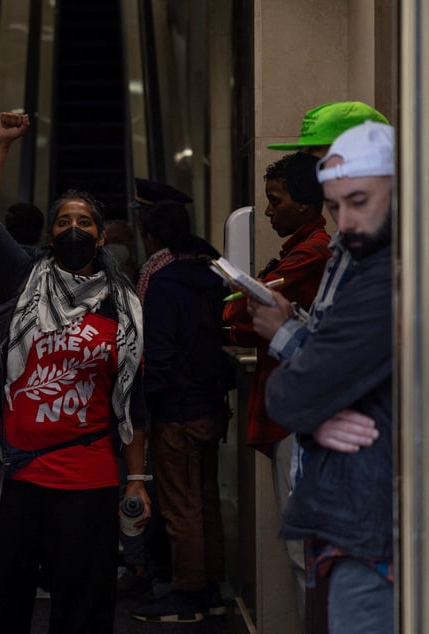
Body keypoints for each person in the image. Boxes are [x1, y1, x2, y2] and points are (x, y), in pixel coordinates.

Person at [0, 112, 150, 633]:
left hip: (87, 478)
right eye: (64, 221)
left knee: (83, 608)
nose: (73, 228)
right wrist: (1, 144)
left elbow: (133, 401)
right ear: (51, 233)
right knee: (2, 606)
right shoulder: (26, 279)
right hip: (17, 475)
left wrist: (136, 479)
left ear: (101, 236)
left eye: (84, 222)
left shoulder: (122, 307)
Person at [250, 100, 389, 632]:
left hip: (370, 514)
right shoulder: (349, 251)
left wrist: (288, 340)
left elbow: (299, 390)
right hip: (343, 491)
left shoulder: (388, 269)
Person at [221, 152, 332, 620]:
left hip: (303, 412)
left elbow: (238, 314)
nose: (268, 212)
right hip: (296, 406)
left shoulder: (314, 252)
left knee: (305, 554)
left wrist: (249, 297)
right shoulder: (301, 250)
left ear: (306, 205)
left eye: (275, 201)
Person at [129, 200, 228, 623]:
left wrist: (149, 402)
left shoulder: (163, 283)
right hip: (210, 403)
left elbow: (160, 352)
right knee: (205, 499)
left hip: (177, 408)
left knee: (180, 504)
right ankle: (210, 588)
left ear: (152, 238)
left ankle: (188, 595)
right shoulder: (211, 274)